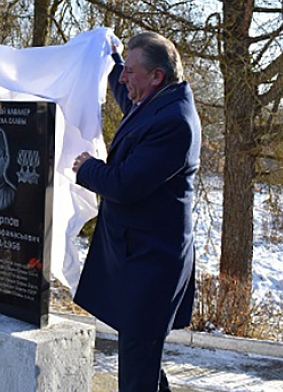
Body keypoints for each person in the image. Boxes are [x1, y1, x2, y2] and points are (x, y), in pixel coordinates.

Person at [72, 32, 201, 392]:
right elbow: (126, 95)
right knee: (143, 358)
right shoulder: (156, 101)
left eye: (130, 71)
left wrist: (87, 168)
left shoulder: (175, 122)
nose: (124, 79)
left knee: (136, 370)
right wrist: (109, 58)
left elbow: (127, 184)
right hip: (139, 256)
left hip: (153, 264)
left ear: (156, 75)